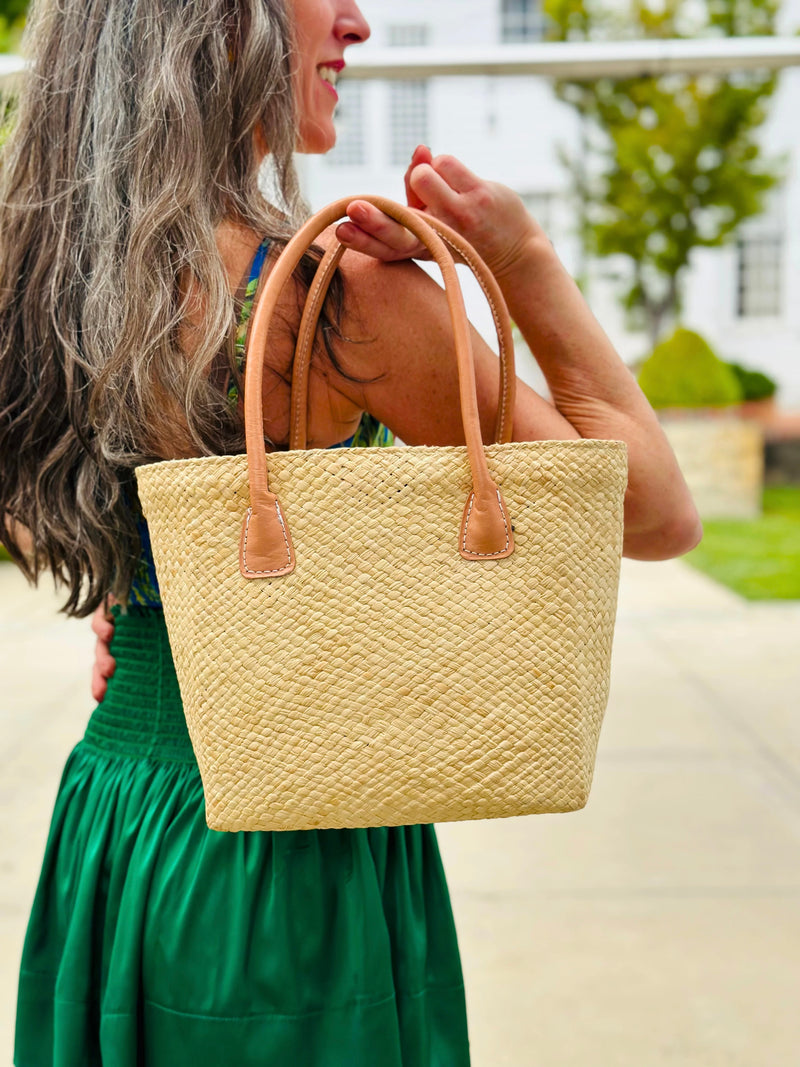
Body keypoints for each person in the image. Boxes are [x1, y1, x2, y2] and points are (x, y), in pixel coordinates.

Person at [0, 0, 701, 1061]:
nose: (359, 23)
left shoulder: (41, 289)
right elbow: (652, 514)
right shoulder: (340, 305)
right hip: (292, 843)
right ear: (213, 21)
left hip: (120, 813)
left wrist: (144, 609)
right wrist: (522, 262)